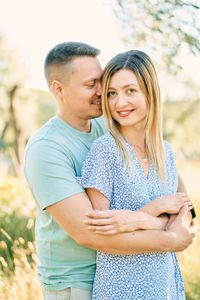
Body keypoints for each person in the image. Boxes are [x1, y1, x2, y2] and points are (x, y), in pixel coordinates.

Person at [24, 42, 196, 300]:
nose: (102, 92)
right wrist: (170, 238)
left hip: (148, 275)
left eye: (102, 82)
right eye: (91, 84)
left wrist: (146, 220)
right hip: (76, 283)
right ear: (58, 89)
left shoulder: (112, 127)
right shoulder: (46, 148)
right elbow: (91, 232)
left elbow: (184, 206)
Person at [77, 50, 196, 299]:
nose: (120, 103)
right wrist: (157, 208)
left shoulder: (165, 151)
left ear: (149, 93)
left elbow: (188, 218)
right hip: (121, 288)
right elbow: (103, 232)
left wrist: (139, 220)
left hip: (165, 286)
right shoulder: (105, 150)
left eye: (130, 91)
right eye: (112, 93)